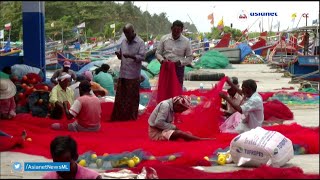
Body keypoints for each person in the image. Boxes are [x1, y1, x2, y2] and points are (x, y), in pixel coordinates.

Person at [110, 23, 146, 121]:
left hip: (133, 74)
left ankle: (131, 117)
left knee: (132, 98)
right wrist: (119, 55)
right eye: (125, 34)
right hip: (123, 73)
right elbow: (122, 56)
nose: (127, 36)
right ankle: (120, 117)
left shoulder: (140, 42)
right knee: (121, 97)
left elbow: (143, 57)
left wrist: (131, 56)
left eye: (128, 34)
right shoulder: (124, 42)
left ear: (133, 32)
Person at [148, 95, 212, 141]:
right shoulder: (165, 105)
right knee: (180, 133)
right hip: (156, 132)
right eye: (182, 110)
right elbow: (158, 123)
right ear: (178, 105)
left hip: (162, 129)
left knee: (184, 133)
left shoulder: (170, 105)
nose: (181, 112)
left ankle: (191, 138)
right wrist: (174, 128)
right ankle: (200, 139)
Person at [155, 20, 193, 88]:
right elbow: (158, 53)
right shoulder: (164, 38)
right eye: (174, 30)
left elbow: (189, 58)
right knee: (164, 88)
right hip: (165, 67)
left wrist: (181, 62)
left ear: (181, 30)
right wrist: (162, 60)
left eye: (178, 31)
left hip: (178, 68)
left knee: (177, 88)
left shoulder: (186, 41)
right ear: (171, 28)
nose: (175, 32)